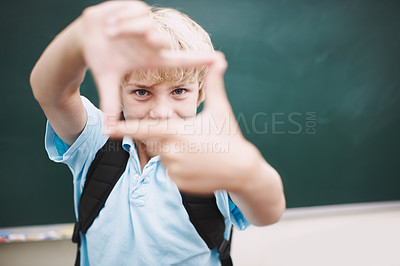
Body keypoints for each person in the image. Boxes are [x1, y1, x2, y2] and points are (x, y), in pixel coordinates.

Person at [30, 1, 286, 265]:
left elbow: (268, 213)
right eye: (142, 92)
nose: (161, 112)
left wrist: (247, 174)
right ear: (119, 92)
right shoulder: (97, 138)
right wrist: (78, 38)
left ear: (200, 93)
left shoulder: (214, 157)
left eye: (179, 91)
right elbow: (51, 94)